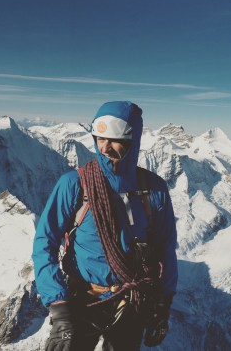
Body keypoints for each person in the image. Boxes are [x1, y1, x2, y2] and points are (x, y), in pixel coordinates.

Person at [32, 101, 177, 350]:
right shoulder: (74, 185)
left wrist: (163, 304)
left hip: (132, 301)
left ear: (133, 140)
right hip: (84, 298)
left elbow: (165, 248)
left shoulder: (154, 189)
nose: (105, 147)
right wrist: (59, 307)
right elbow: (44, 242)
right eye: (100, 138)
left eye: (115, 140)